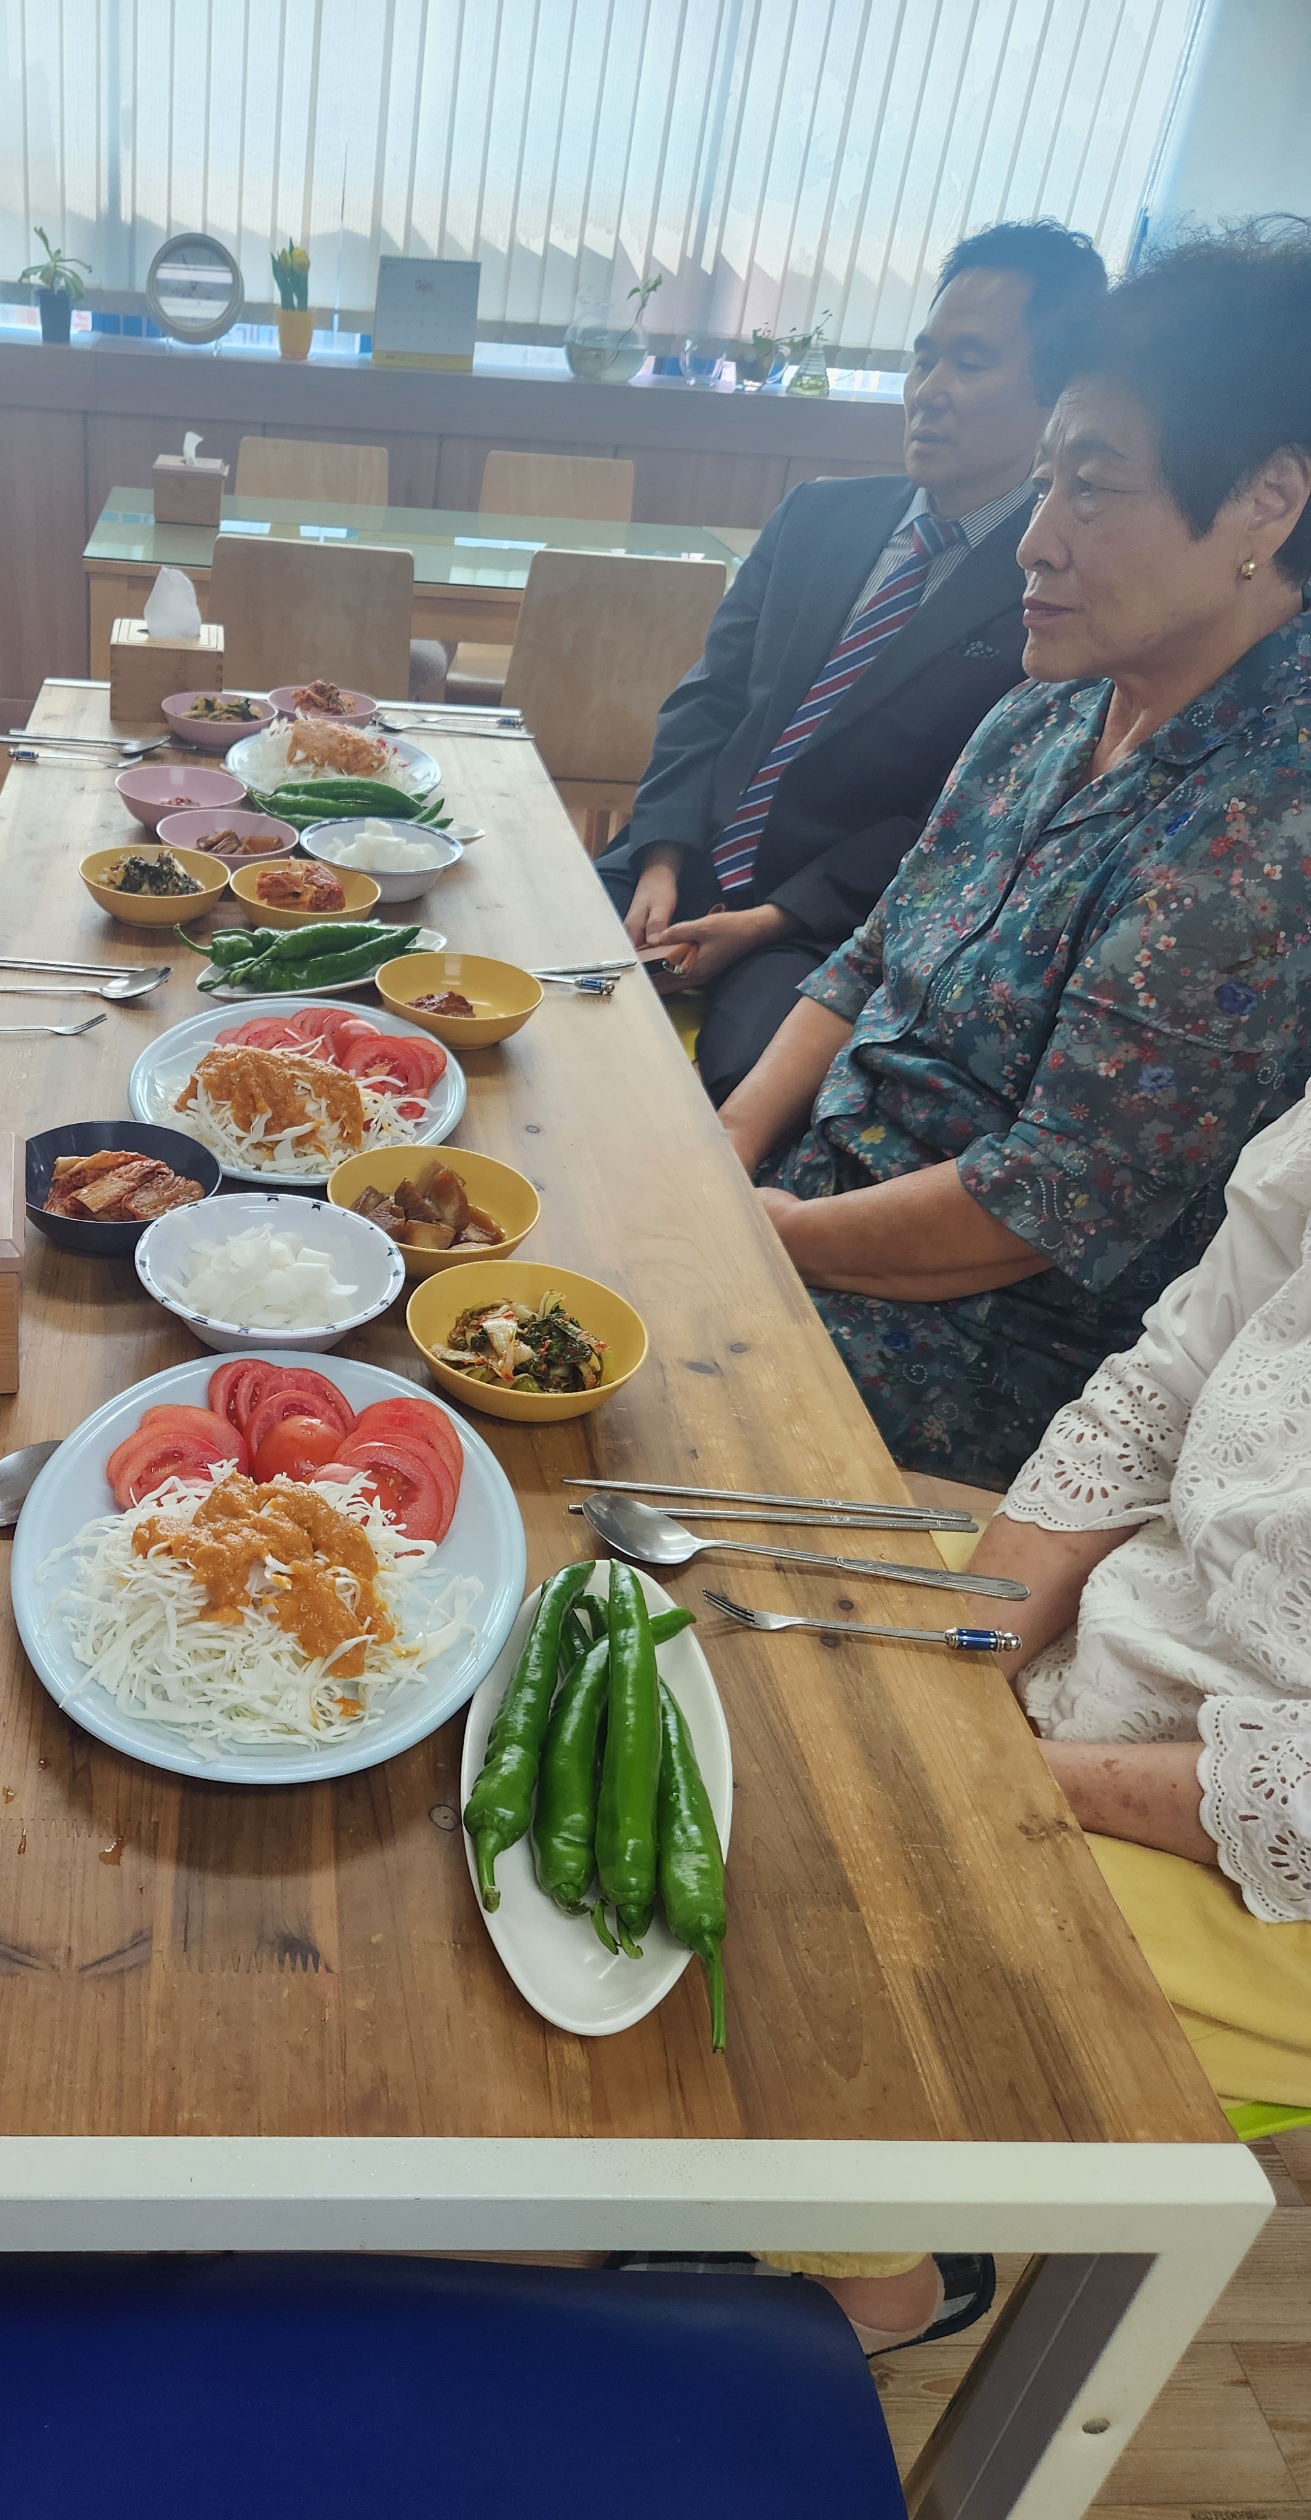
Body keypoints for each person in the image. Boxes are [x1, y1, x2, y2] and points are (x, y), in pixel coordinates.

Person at [718, 228, 1311, 1488]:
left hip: (983, 1349)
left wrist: (767, 1237)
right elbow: (872, 952)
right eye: (1044, 483)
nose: (1035, 541)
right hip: (807, 1206)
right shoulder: (1054, 702)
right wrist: (721, 1147)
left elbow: (1044, 1201)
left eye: (1090, 488)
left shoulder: (1269, 821)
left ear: (1268, 500)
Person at [595, 221, 1108, 1100]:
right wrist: (661, 859)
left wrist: (771, 919)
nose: (928, 392)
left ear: (1059, 396)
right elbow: (709, 699)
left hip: (828, 918)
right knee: (507, 977)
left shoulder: (1051, 586)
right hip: (686, 855)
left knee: (739, 1095)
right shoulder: (817, 516)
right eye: (923, 358)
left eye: (970, 363)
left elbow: (956, 822)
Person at [966, 1081, 1311, 2113]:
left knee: (842, 1938)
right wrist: (963, 1665)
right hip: (1116, 1627)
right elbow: (1162, 1388)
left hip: (1253, 1853)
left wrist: (1002, 1776)